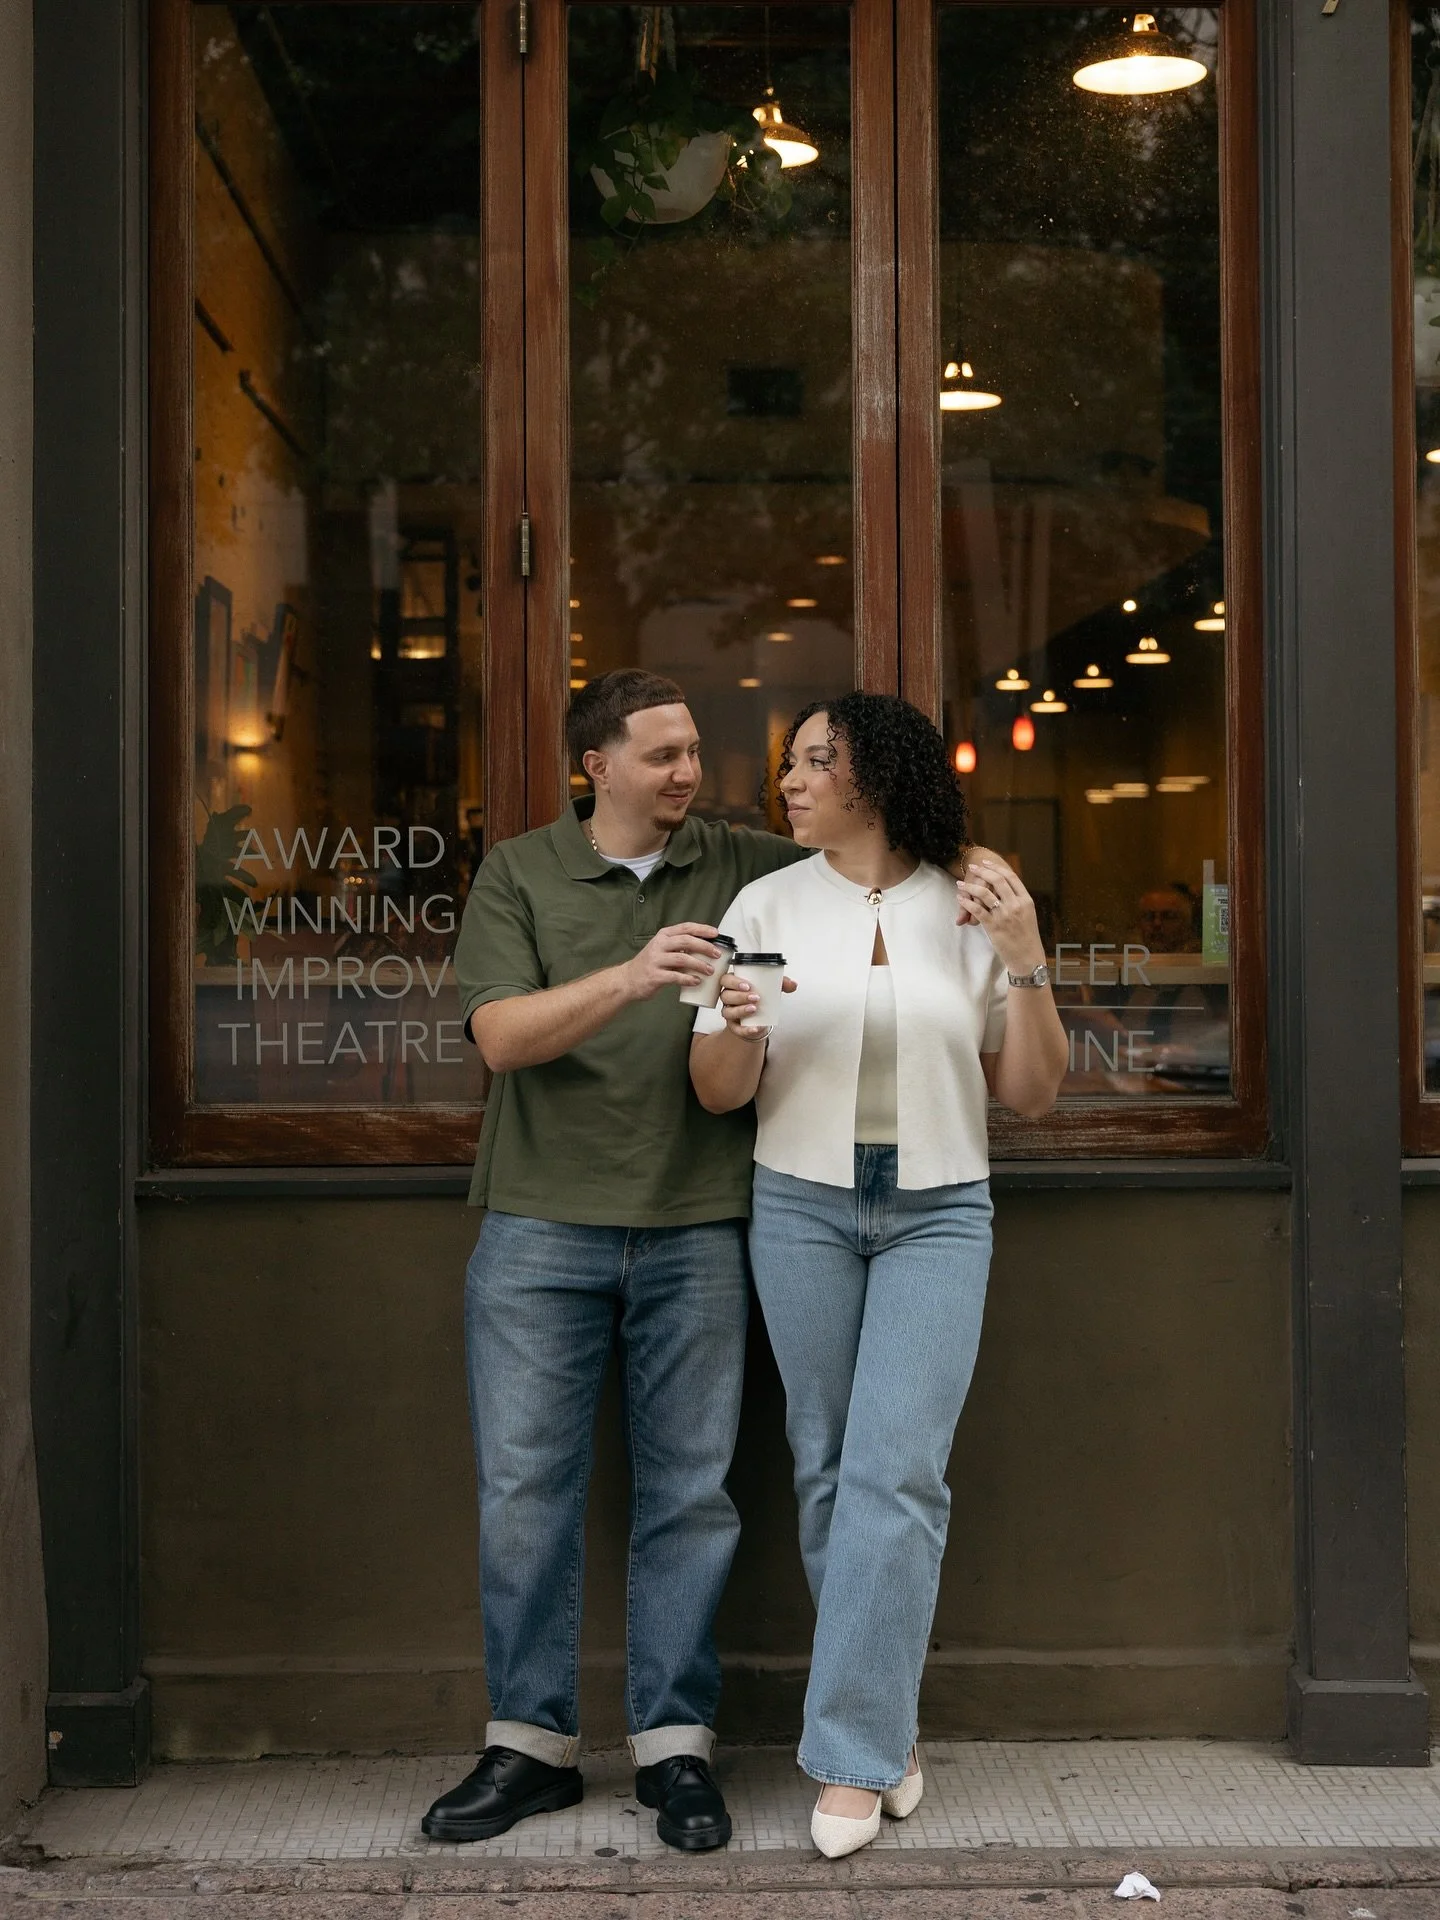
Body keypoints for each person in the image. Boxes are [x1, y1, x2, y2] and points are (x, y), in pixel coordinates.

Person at [422, 669, 813, 1852]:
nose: (687, 772)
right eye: (662, 754)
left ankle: (674, 1750)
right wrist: (635, 972)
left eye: (694, 751)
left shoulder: (745, 867)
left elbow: (859, 875)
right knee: (524, 1493)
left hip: (702, 1220)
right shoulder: (522, 873)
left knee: (690, 1498)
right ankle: (529, 1748)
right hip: (541, 1226)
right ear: (596, 764)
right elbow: (500, 1038)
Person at [689, 692, 1068, 1860]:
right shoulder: (765, 902)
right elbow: (716, 1088)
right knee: (827, 1467)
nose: (788, 784)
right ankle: (893, 1730)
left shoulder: (973, 895)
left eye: (815, 763)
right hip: (798, 1200)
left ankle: (849, 1757)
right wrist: (740, 1028)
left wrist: (1027, 961)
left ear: (876, 777)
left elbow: (1034, 1094)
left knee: (897, 1473)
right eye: (789, 765)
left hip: (940, 1210)